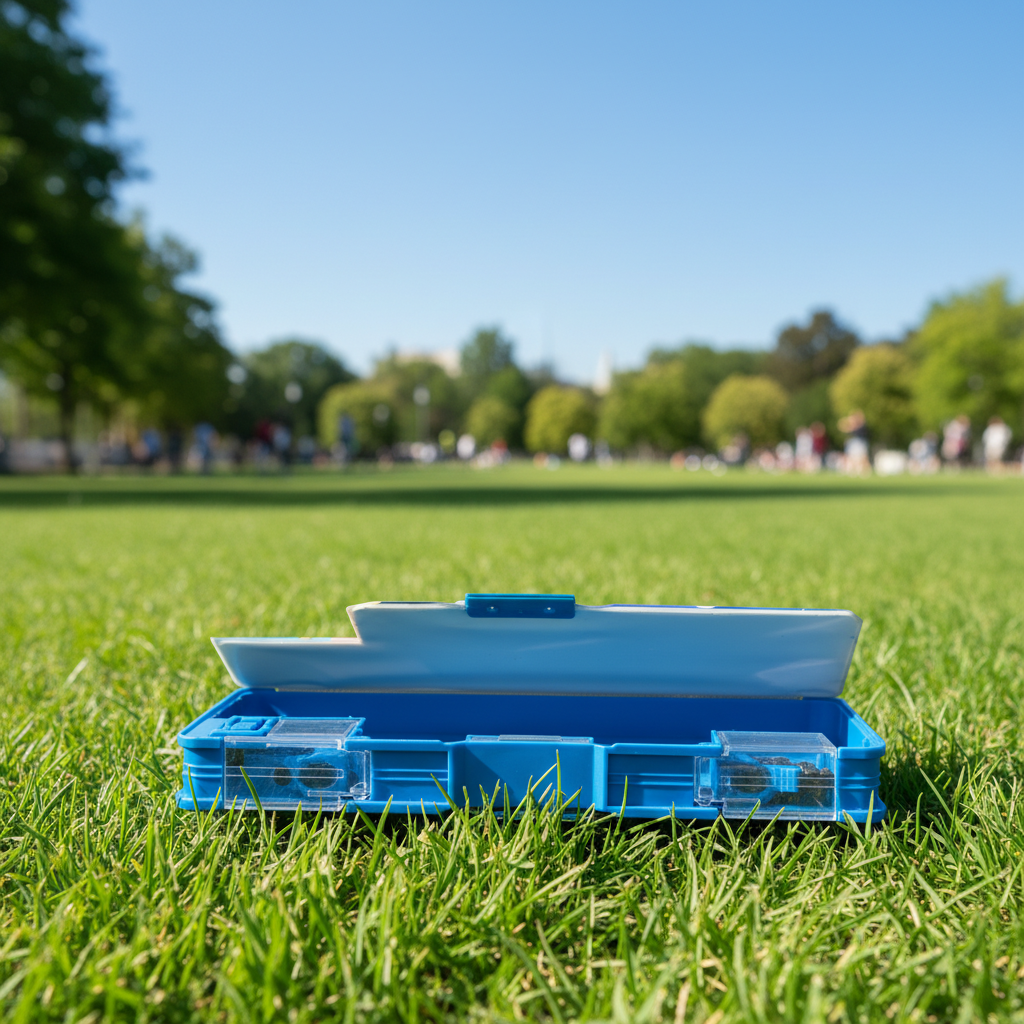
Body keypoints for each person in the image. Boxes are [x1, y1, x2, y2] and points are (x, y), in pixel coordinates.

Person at [837, 410, 870, 475]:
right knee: (852, 457)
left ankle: (865, 470)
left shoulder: (861, 426)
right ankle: (851, 469)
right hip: (855, 442)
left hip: (860, 442)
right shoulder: (855, 427)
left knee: (862, 457)